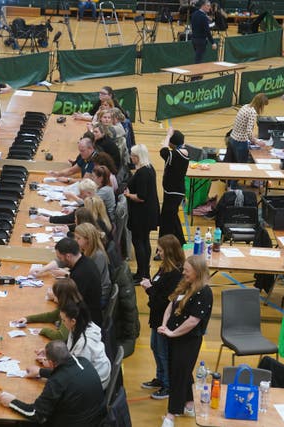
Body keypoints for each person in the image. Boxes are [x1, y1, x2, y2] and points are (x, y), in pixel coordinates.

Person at [159, 255, 213, 427]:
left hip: (188, 340)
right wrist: (164, 325)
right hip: (174, 336)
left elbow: (193, 321)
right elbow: (171, 305)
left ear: (197, 272)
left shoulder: (204, 292)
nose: (183, 273)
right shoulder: (186, 285)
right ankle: (189, 404)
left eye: (187, 271)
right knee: (183, 371)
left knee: (178, 376)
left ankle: (171, 415)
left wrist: (173, 333)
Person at [0, 340, 104, 426]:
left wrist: (11, 402)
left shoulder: (56, 382)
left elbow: (35, 414)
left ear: (52, 363)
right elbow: (67, 374)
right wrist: (40, 371)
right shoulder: (83, 361)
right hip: (95, 419)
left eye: (46, 359)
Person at [140, 235, 185, 400]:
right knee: (155, 347)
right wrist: (150, 287)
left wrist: (149, 289)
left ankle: (167, 385)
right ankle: (160, 377)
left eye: (160, 250)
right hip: (156, 316)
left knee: (163, 351)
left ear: (169, 251)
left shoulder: (175, 274)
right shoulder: (164, 268)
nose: (157, 252)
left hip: (164, 318)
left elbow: (165, 299)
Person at [27, 302, 111, 389]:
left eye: (63, 320)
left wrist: (41, 371)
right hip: (86, 374)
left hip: (96, 383)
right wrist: (50, 352)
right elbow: (69, 351)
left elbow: (71, 373)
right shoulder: (78, 326)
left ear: (73, 321)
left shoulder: (85, 345)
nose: (62, 323)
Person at [124, 144, 159, 282]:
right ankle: (144, 272)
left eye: (132, 156)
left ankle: (142, 274)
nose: (131, 158)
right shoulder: (149, 168)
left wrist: (128, 195)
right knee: (144, 241)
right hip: (148, 212)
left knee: (139, 241)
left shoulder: (143, 173)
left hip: (142, 214)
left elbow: (141, 197)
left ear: (137, 157)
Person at [53, 238, 103, 326]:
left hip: (86, 321)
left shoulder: (79, 274)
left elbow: (69, 303)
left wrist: (57, 295)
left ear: (68, 256)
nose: (60, 261)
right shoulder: (86, 261)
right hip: (91, 313)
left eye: (60, 258)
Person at [17, 278, 84, 341]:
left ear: (61, 297)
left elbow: (61, 337)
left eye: (55, 295)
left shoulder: (69, 311)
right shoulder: (68, 304)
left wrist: (44, 330)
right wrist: (28, 319)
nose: (53, 297)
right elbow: (51, 316)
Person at [226, 93, 269, 188]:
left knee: (234, 164)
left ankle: (229, 184)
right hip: (240, 142)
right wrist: (257, 141)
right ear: (260, 104)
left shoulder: (245, 106)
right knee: (241, 166)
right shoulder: (252, 112)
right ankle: (232, 187)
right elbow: (249, 132)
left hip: (233, 138)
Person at [159, 128, 190, 246]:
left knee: (166, 222)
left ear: (173, 143)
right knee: (173, 217)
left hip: (173, 193)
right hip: (173, 192)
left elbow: (163, 151)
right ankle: (182, 241)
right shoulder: (181, 152)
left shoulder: (175, 155)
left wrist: (168, 135)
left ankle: (163, 247)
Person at [74, 223, 112, 307]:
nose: (75, 240)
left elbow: (89, 281)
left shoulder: (98, 256)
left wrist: (68, 275)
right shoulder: (86, 250)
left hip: (99, 297)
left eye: (78, 238)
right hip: (93, 292)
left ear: (88, 239)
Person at [190, 0, 217, 78]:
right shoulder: (203, 17)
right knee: (198, 60)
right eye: (208, 6)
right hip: (201, 41)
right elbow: (207, 31)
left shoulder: (195, 14)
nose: (209, 7)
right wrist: (213, 42)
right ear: (203, 6)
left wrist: (206, 18)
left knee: (198, 58)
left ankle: (198, 75)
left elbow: (195, 26)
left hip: (194, 40)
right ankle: (194, 78)